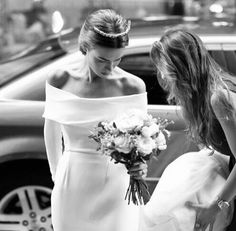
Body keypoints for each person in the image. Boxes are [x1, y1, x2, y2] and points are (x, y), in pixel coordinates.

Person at [42, 9, 148, 231]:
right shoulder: (59, 79)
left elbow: (141, 138)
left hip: (117, 185)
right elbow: (51, 129)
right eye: (102, 59)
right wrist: (56, 174)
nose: (110, 68)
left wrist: (140, 166)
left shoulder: (132, 86)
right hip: (71, 182)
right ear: (85, 46)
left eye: (117, 59)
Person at [140, 28, 236, 231]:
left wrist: (217, 205)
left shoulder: (219, 97)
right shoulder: (199, 98)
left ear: (182, 67)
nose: (162, 76)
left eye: (165, 69)